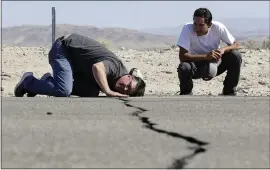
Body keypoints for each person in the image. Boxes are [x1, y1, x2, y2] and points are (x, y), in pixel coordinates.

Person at [14, 33, 146, 98]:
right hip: (63, 50)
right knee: (63, 91)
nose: (124, 88)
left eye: (127, 91)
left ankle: (47, 82)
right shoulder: (115, 67)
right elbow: (97, 68)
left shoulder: (118, 81)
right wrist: (107, 91)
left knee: (92, 92)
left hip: (76, 65)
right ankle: (28, 81)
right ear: (128, 76)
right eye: (128, 85)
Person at [177, 8, 242, 95]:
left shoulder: (218, 27)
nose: (197, 28)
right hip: (196, 65)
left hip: (215, 63)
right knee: (184, 67)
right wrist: (205, 56)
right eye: (195, 24)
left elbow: (236, 45)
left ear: (209, 24)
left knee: (235, 55)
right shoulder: (187, 28)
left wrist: (223, 49)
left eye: (201, 25)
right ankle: (186, 94)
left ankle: (229, 92)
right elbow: (182, 56)